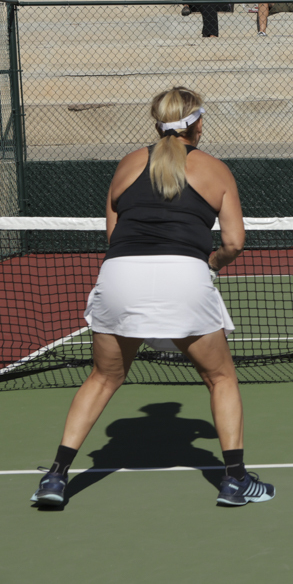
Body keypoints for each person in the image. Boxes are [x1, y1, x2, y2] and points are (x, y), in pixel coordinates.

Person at [31, 87, 275, 508]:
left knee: (103, 377)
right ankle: (235, 481)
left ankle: (55, 477)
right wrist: (212, 263)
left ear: (157, 123)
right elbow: (234, 243)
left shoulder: (127, 164)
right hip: (185, 276)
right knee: (220, 378)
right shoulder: (216, 169)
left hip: (120, 275)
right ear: (197, 123)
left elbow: (113, 236)